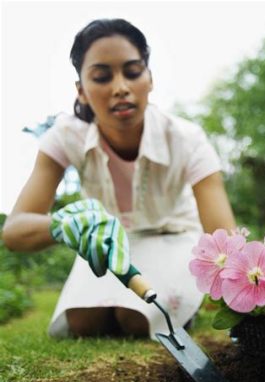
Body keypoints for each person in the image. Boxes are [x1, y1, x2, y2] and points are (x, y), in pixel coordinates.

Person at [2, 18, 236, 340]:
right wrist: (62, 225)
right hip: (111, 245)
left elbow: (224, 235)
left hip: (174, 237)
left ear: (150, 79)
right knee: (83, 324)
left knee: (136, 319)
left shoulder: (186, 138)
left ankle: (186, 306)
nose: (120, 87)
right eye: (101, 77)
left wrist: (256, 292)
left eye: (132, 72)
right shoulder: (65, 136)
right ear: (81, 91)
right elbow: (14, 232)